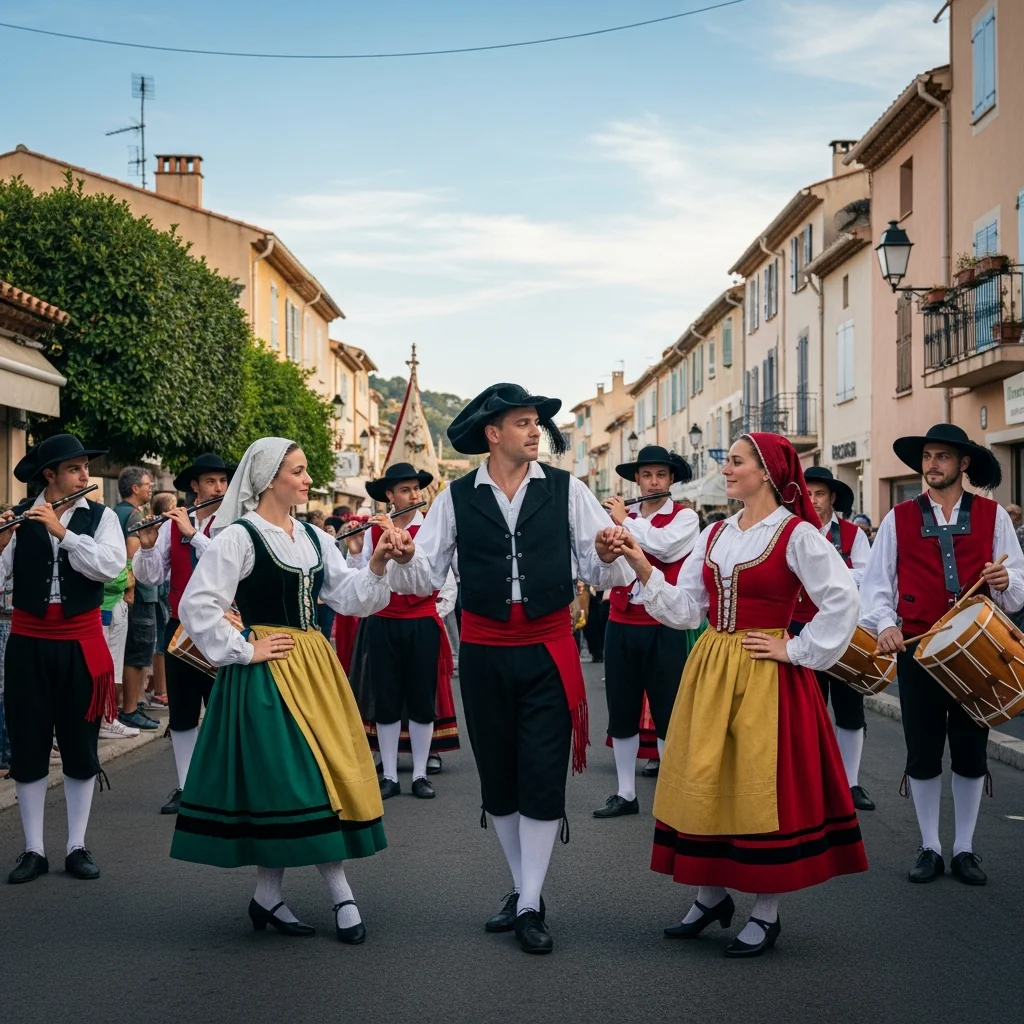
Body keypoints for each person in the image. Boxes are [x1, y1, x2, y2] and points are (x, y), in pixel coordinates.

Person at [608, 433, 867, 957]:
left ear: (768, 472)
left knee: (755, 783)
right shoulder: (718, 533)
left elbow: (843, 601)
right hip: (711, 666)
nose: (726, 470)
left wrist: (797, 650)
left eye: (736, 462)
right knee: (705, 776)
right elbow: (686, 608)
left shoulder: (797, 535)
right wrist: (638, 562)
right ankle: (710, 897)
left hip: (765, 672)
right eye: (726, 461)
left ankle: (765, 911)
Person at [408, 383, 633, 954]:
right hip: (483, 652)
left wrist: (608, 555)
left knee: (541, 771)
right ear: (493, 433)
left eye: (537, 422)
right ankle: (522, 888)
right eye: (524, 423)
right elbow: (425, 576)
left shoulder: (567, 490)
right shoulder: (455, 497)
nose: (537, 432)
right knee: (500, 777)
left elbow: (598, 569)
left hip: (549, 647)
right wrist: (398, 559)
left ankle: (530, 902)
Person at [172, 437, 426, 942]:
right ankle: (342, 894)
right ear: (269, 479)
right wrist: (245, 647)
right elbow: (196, 606)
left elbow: (349, 597)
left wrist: (376, 564)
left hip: (315, 669)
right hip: (268, 674)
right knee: (301, 782)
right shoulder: (239, 537)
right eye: (299, 470)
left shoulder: (313, 536)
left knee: (297, 785)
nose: (308, 479)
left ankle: (267, 897)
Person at [861, 424, 1024, 886]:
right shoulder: (898, 518)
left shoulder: (994, 517)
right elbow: (877, 585)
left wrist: (1005, 581)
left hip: (978, 651)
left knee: (971, 752)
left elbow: (1018, 588)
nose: (931, 464)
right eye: (927, 456)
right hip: (920, 653)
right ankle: (930, 845)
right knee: (924, 749)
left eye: (941, 457)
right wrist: (887, 624)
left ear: (963, 464)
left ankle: (965, 848)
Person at [1, 434, 126, 884]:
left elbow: (111, 567)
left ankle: (77, 844)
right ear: (50, 475)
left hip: (80, 642)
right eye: (74, 469)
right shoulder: (18, 518)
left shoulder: (102, 516)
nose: (85, 476)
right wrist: (2, 543)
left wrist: (63, 533)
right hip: (29, 642)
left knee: (79, 744)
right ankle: (33, 848)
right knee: (30, 744)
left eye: (84, 468)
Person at [595, 445, 700, 819]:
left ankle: (671, 793)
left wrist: (625, 522)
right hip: (622, 621)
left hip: (664, 624)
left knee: (668, 708)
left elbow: (666, 548)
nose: (653, 481)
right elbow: (604, 564)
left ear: (671, 480)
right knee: (621, 709)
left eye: (660, 475)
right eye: (646, 475)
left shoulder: (685, 518)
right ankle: (625, 793)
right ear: (636, 480)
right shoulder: (624, 518)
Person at [345, 463, 459, 800]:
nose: (414, 495)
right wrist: (354, 550)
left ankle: (420, 774)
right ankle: (391, 775)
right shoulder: (372, 531)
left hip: (422, 622)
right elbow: (362, 577)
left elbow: (446, 580)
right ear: (390, 496)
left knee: (423, 699)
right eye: (405, 490)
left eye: (415, 489)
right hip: (382, 621)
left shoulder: (433, 529)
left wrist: (432, 613)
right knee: (387, 699)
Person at [132, 454, 231, 814]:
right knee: (184, 711)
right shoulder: (175, 524)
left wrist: (194, 536)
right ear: (195, 486)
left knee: (225, 709)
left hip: (224, 626)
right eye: (210, 482)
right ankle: (186, 786)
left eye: (222, 482)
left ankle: (225, 786)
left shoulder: (235, 524)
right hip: (182, 627)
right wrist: (146, 544)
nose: (218, 488)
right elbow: (151, 576)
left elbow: (227, 566)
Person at [791, 466, 874, 812]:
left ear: (833, 498)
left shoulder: (854, 534)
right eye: (806, 494)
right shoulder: (791, 532)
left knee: (849, 709)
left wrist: (827, 572)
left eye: (819, 494)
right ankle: (810, 783)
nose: (812, 501)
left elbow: (867, 578)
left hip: (842, 632)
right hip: (798, 629)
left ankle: (850, 783)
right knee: (805, 709)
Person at [113, 467, 159, 731]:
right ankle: (130, 708)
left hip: (128, 593)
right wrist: (131, 589)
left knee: (129, 651)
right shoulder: (133, 516)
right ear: (134, 488)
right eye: (146, 484)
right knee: (139, 651)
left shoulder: (116, 512)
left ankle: (128, 704)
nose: (150, 488)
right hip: (139, 593)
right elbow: (134, 554)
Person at [144, 492, 177, 709]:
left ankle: (159, 688)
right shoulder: (164, 527)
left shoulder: (166, 526)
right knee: (163, 639)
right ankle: (162, 690)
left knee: (162, 638)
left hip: (163, 585)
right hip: (164, 585)